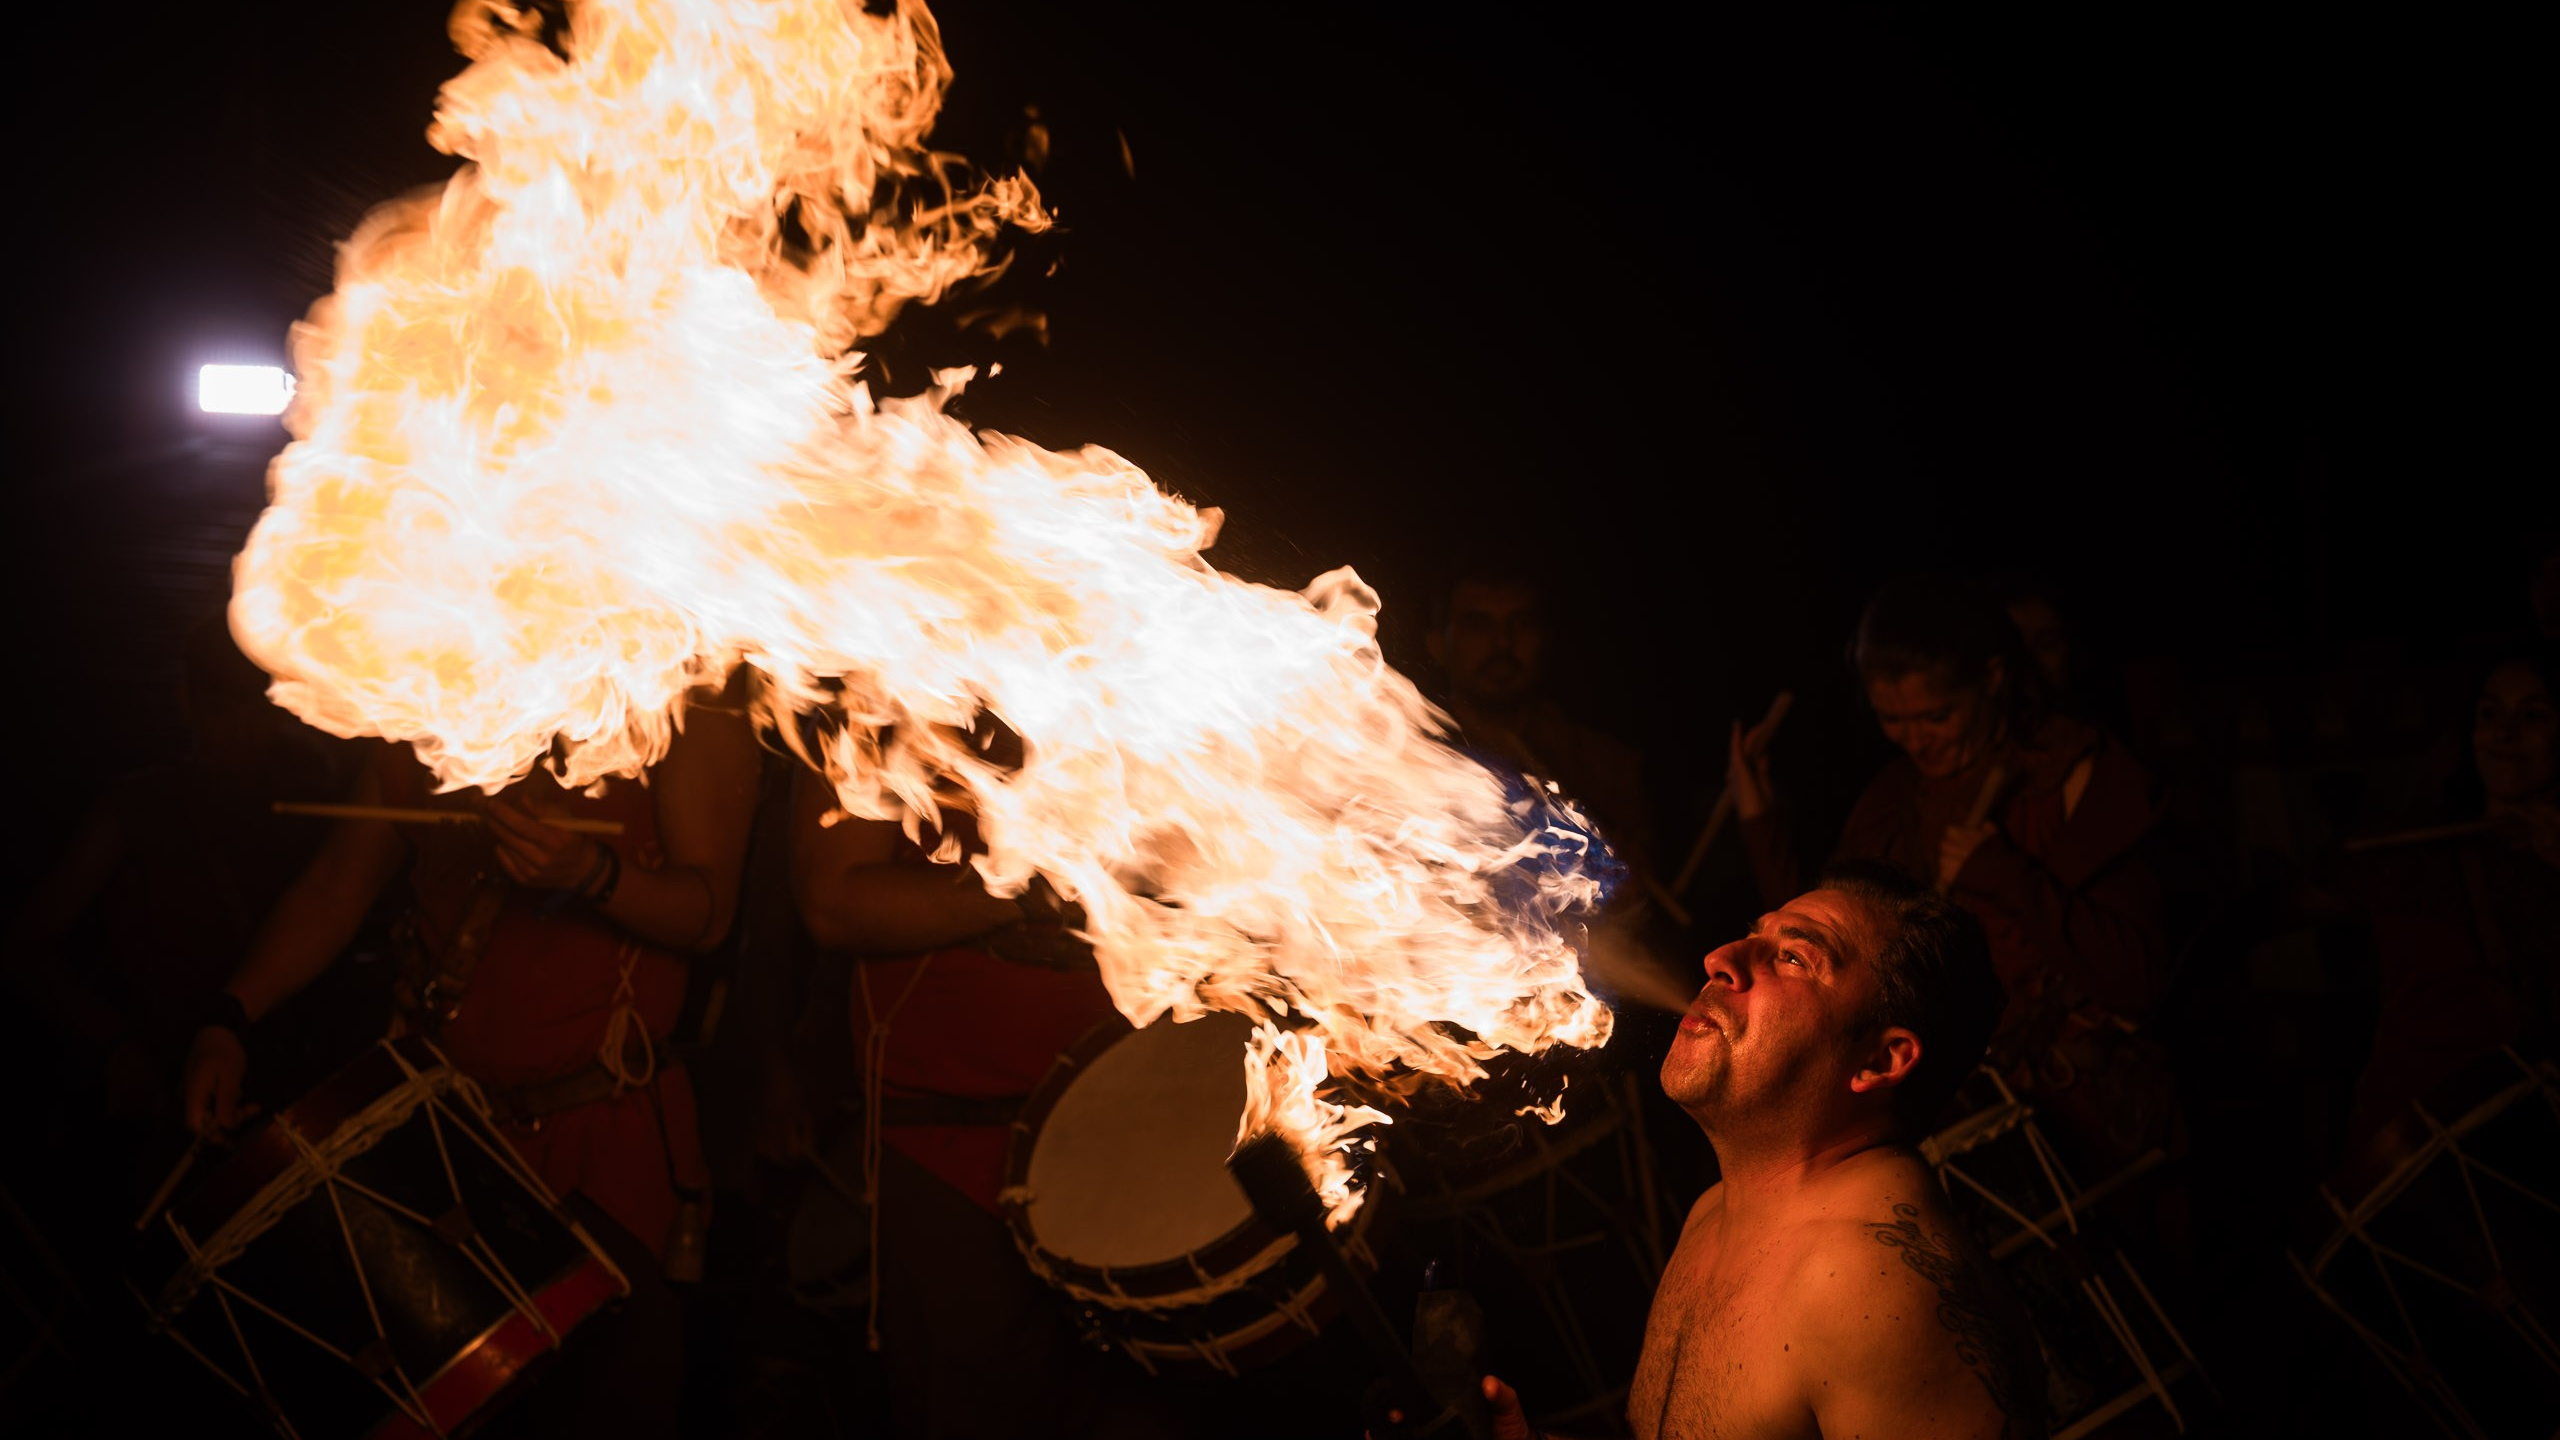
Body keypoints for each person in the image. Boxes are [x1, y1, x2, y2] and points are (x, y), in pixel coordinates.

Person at [179, 680, 760, 1440]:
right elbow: (334, 887)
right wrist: (228, 1018)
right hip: (451, 1144)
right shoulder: (431, 691)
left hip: (603, 1138)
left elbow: (710, 915)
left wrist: (591, 874)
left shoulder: (679, 694)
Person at [1474, 863, 2043, 1439]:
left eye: (1794, 957)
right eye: (1756, 934)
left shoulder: (1873, 1283)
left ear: (1879, 1060)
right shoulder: (1714, 1213)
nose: (1720, 957)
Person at [1733, 577, 2169, 1160]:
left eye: (1937, 716)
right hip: (1953, 1132)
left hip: (2088, 1132)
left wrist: (2003, 873)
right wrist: (1760, 817)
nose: (1916, 741)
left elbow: (2138, 977)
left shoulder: (2073, 774)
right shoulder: (1894, 798)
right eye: (1894, 719)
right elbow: (1821, 951)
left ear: (1991, 679)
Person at [786, 759, 1143, 1439]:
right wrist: (1022, 891)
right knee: (979, 1402)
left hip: (1143, 1132)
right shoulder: (885, 690)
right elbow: (833, 899)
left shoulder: (1147, 676)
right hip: (956, 1149)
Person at [2342, 650, 2560, 1156]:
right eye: (2488, 714)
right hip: (2418, 1148)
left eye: (2534, 715)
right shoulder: (2420, 857)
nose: (2504, 735)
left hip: (2531, 1144)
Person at [1426, 556, 1654, 878]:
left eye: (1521, 623)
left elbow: (1639, 896)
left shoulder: (1602, 766)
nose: (1503, 643)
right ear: (1438, 645)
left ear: (1545, 640)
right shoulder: (1405, 758)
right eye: (1479, 625)